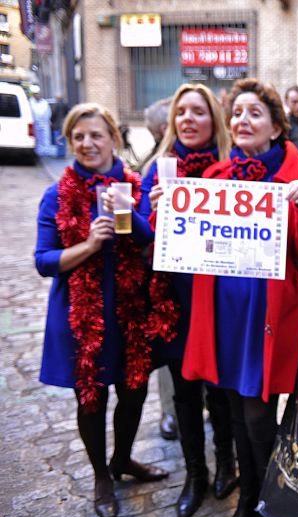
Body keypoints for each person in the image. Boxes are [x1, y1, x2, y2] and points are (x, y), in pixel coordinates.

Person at [181, 78, 298, 517]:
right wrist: (172, 211)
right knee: (231, 408)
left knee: (259, 414)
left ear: (276, 126)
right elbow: (186, 247)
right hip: (223, 318)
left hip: (264, 320)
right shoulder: (212, 179)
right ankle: (250, 501)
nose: (244, 120)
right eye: (237, 113)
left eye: (255, 113)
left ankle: (270, 504)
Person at [34, 103, 167, 517]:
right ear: (70, 143)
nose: (88, 144)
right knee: (90, 397)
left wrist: (128, 213)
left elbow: (151, 241)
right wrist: (89, 246)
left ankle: (123, 459)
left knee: (134, 391)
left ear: (113, 138)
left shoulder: (135, 186)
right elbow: (43, 260)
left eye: (96, 135)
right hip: (80, 313)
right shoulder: (57, 194)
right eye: (79, 137)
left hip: (130, 308)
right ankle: (101, 477)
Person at [138, 83, 237, 517]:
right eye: (182, 112)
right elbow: (138, 236)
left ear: (213, 119)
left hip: (217, 297)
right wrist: (153, 211)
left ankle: (228, 466)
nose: (188, 119)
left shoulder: (231, 168)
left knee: (220, 391)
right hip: (175, 299)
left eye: (198, 111)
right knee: (184, 392)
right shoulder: (156, 172)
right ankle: (195, 476)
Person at [137, 95, 178, 442]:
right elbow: (141, 225)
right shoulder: (156, 164)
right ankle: (170, 412)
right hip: (166, 275)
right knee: (171, 350)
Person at [29, 86, 52, 156]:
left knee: (46, 137)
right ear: (33, 94)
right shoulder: (30, 102)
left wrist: (48, 120)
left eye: (37, 93)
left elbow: (48, 112)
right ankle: (39, 152)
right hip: (35, 123)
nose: (37, 95)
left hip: (44, 123)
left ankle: (46, 151)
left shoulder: (44, 102)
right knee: (38, 138)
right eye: (35, 94)